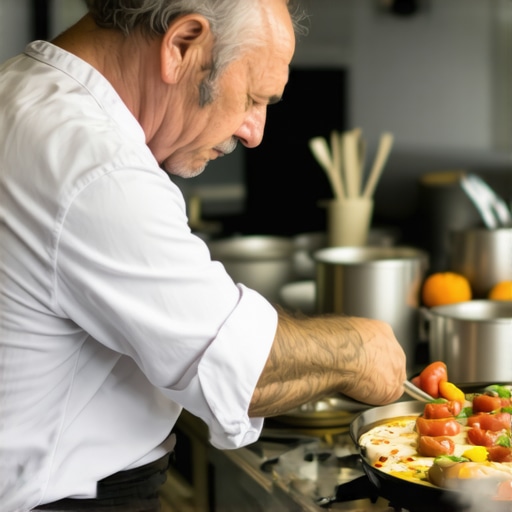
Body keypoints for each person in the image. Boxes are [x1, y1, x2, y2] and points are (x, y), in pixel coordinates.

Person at [0, 0, 407, 510]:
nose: (254, 133)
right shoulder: (94, 166)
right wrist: (360, 349)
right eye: (254, 99)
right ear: (182, 45)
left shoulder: (20, 89)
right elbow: (242, 368)